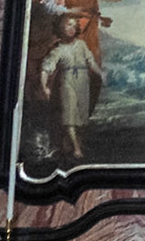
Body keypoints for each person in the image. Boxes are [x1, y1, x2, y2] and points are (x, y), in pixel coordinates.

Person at [39, 16, 102, 161]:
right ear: (61, 27)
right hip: (67, 81)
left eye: (74, 25)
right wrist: (44, 87)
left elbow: (90, 61)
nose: (71, 28)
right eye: (68, 25)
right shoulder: (58, 49)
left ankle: (74, 143)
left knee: (81, 114)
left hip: (83, 80)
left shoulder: (81, 45)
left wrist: (101, 74)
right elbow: (46, 69)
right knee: (70, 114)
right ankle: (77, 149)